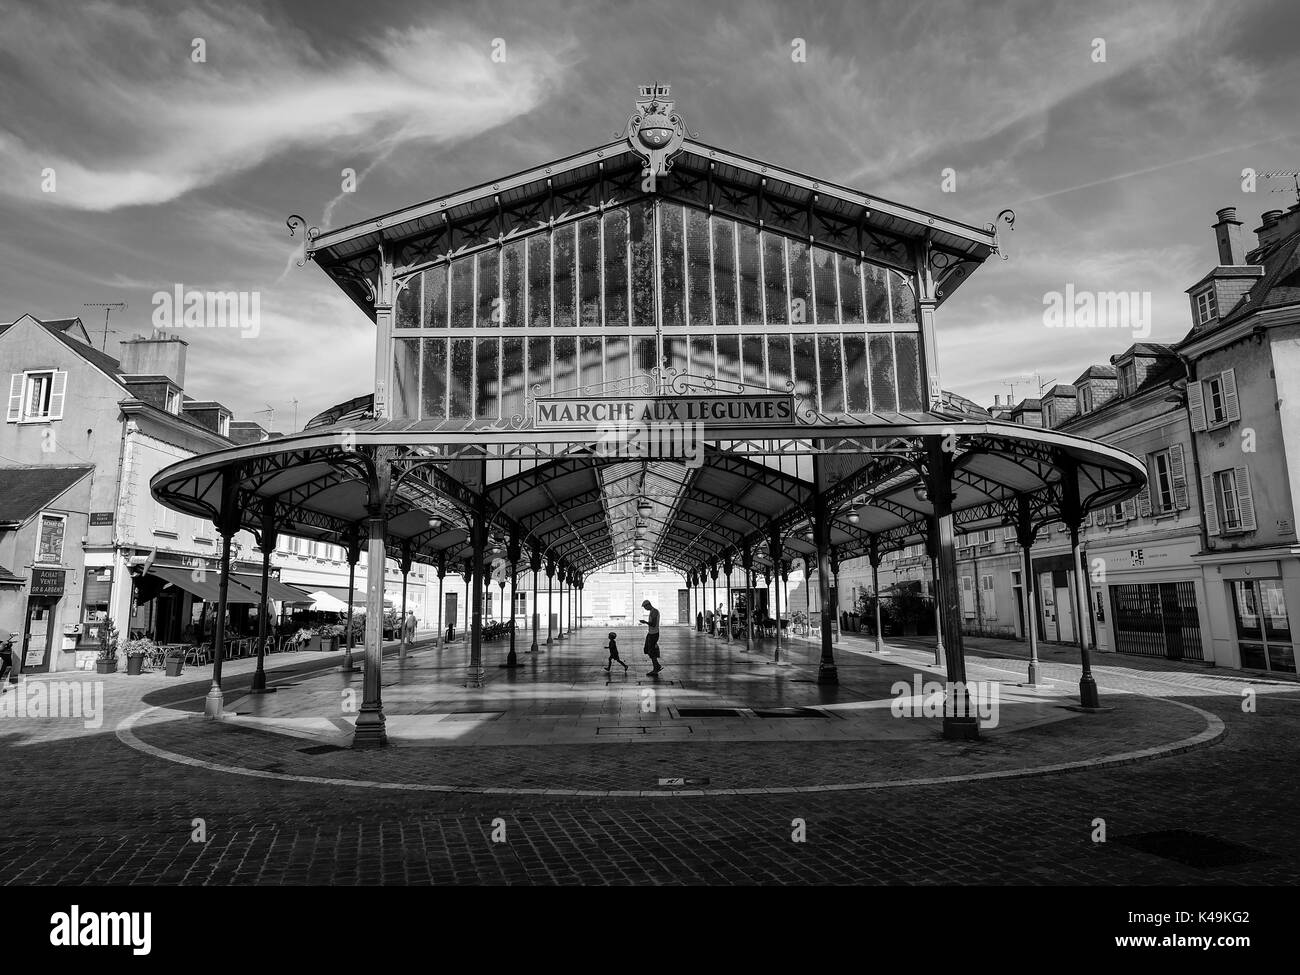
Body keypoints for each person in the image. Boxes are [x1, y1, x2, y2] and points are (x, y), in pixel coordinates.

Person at [639, 599, 662, 676]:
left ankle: (656, 668)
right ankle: (657, 665)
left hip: (654, 634)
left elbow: (654, 624)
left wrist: (645, 622)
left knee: (651, 651)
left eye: (645, 607)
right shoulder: (652, 612)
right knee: (647, 649)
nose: (645, 609)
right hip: (651, 633)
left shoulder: (654, 612)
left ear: (648, 605)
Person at [0, 628, 13, 692]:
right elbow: (1, 648)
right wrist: (4, 643)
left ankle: (1, 688)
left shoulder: (3, 633)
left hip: (7, 658)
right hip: (3, 659)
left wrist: (8, 643)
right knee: (2, 672)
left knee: (5, 672)